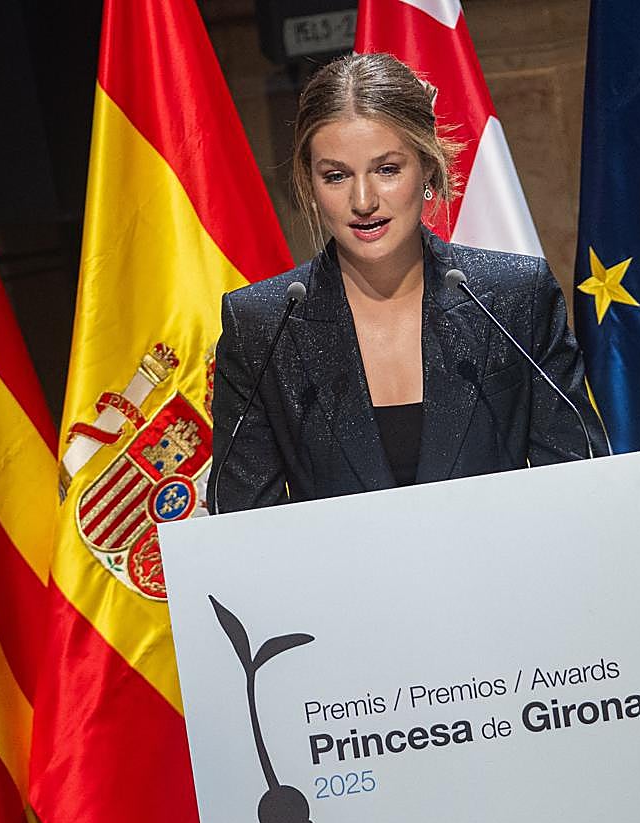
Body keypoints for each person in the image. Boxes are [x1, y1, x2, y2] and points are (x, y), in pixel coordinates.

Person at [207, 52, 607, 514]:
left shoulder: (514, 297)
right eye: (336, 176)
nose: (363, 200)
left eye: (387, 169)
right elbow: (241, 521)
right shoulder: (262, 326)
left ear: (428, 167)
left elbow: (583, 486)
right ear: (309, 183)